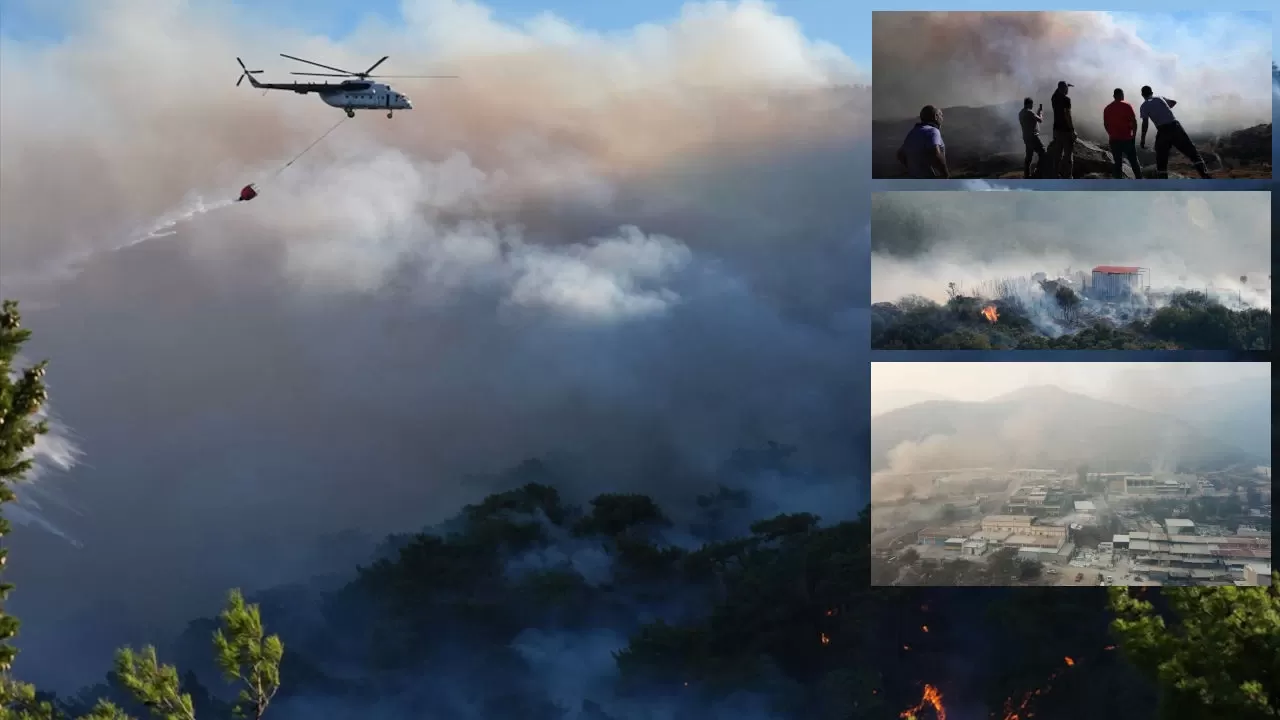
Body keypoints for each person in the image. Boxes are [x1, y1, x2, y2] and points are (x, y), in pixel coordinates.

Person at [1139, 85, 1211, 178]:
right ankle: (1206, 177)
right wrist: (1165, 107)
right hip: (1175, 127)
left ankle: (1163, 185)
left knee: (1161, 160)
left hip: (1162, 131)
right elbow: (1173, 102)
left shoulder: (1144, 106)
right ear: (1152, 93)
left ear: (1142, 95)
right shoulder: (1160, 98)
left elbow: (1145, 123)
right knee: (1193, 154)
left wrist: (1142, 139)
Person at [896, 105, 950, 179]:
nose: (942, 118)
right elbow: (935, 153)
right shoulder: (933, 131)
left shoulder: (913, 132)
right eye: (941, 115)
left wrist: (914, 169)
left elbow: (900, 154)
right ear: (936, 116)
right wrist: (945, 174)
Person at [1102, 88, 1142, 179]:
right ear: (1121, 95)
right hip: (1127, 139)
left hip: (1114, 140)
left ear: (1114, 96)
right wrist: (1134, 135)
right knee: (1134, 162)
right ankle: (1140, 182)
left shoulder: (1107, 108)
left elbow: (1105, 124)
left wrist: (1111, 134)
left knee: (1117, 163)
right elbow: (1134, 122)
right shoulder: (1126, 106)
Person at [1047, 80, 1076, 178]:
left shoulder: (1054, 98)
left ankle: (1055, 175)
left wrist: (1065, 85)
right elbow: (1067, 115)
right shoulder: (1066, 99)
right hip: (1066, 131)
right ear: (1064, 89)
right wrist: (1072, 130)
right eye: (1067, 88)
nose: (1068, 90)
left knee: (1057, 154)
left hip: (1056, 131)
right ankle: (1068, 177)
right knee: (1068, 156)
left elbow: (1057, 91)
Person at [1018, 97, 1045, 179]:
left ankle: (1027, 175)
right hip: (1033, 137)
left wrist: (1036, 113)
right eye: (1032, 104)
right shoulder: (1029, 112)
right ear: (1029, 104)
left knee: (1029, 156)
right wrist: (1040, 113)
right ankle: (1038, 170)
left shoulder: (1021, 113)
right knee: (1043, 152)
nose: (1032, 106)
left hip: (1026, 137)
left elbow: (1032, 120)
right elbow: (1040, 120)